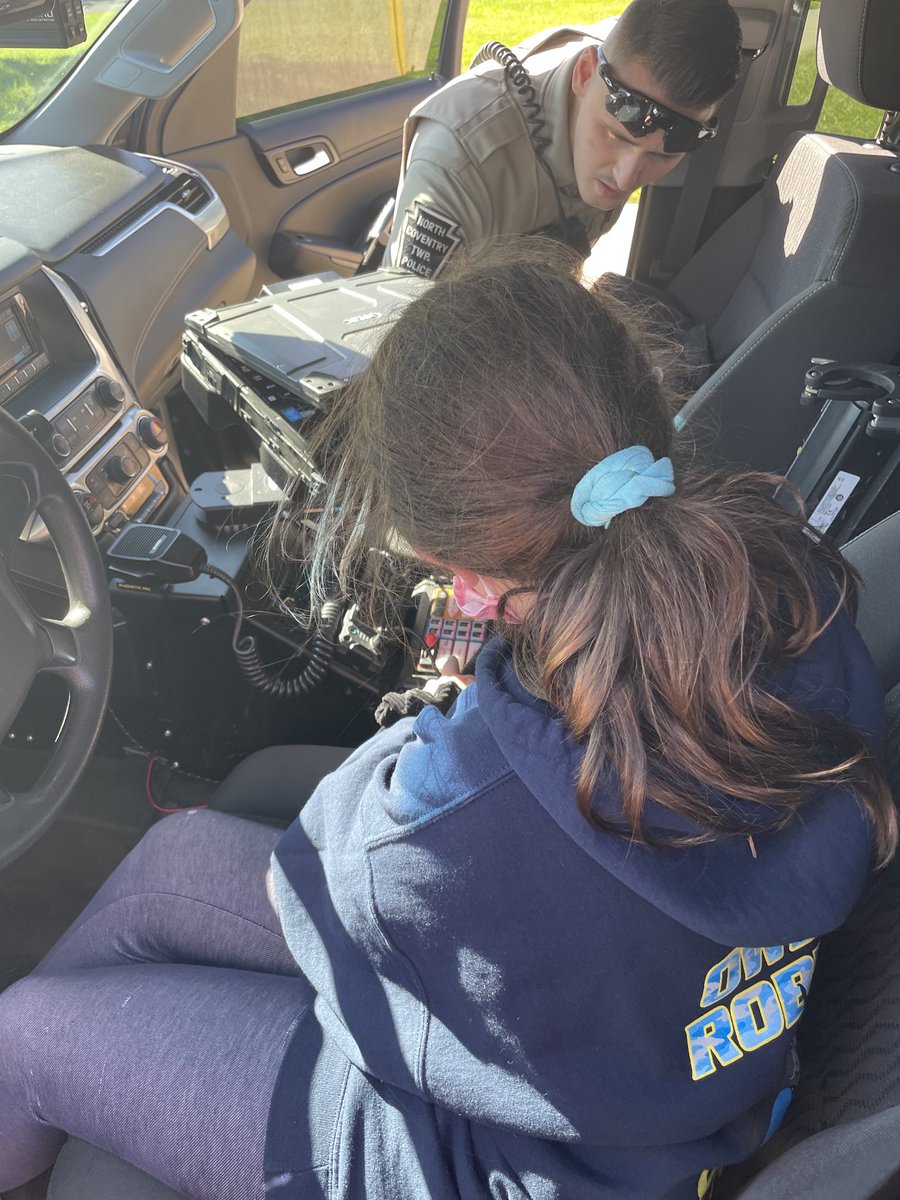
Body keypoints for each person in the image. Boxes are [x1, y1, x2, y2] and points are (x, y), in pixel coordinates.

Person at [0, 246, 895, 1200]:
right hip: (664, 1056)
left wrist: (477, 698)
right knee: (168, 869)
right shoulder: (799, 588)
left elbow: (345, 860)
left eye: (442, 568)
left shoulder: (460, 816)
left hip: (504, 1159)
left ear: (466, 569)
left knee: (24, 1035)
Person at [383, 0, 743, 277]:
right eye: (617, 136)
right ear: (585, 74)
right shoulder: (459, 157)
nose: (626, 178)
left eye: (661, 157)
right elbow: (396, 341)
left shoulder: (626, 73)